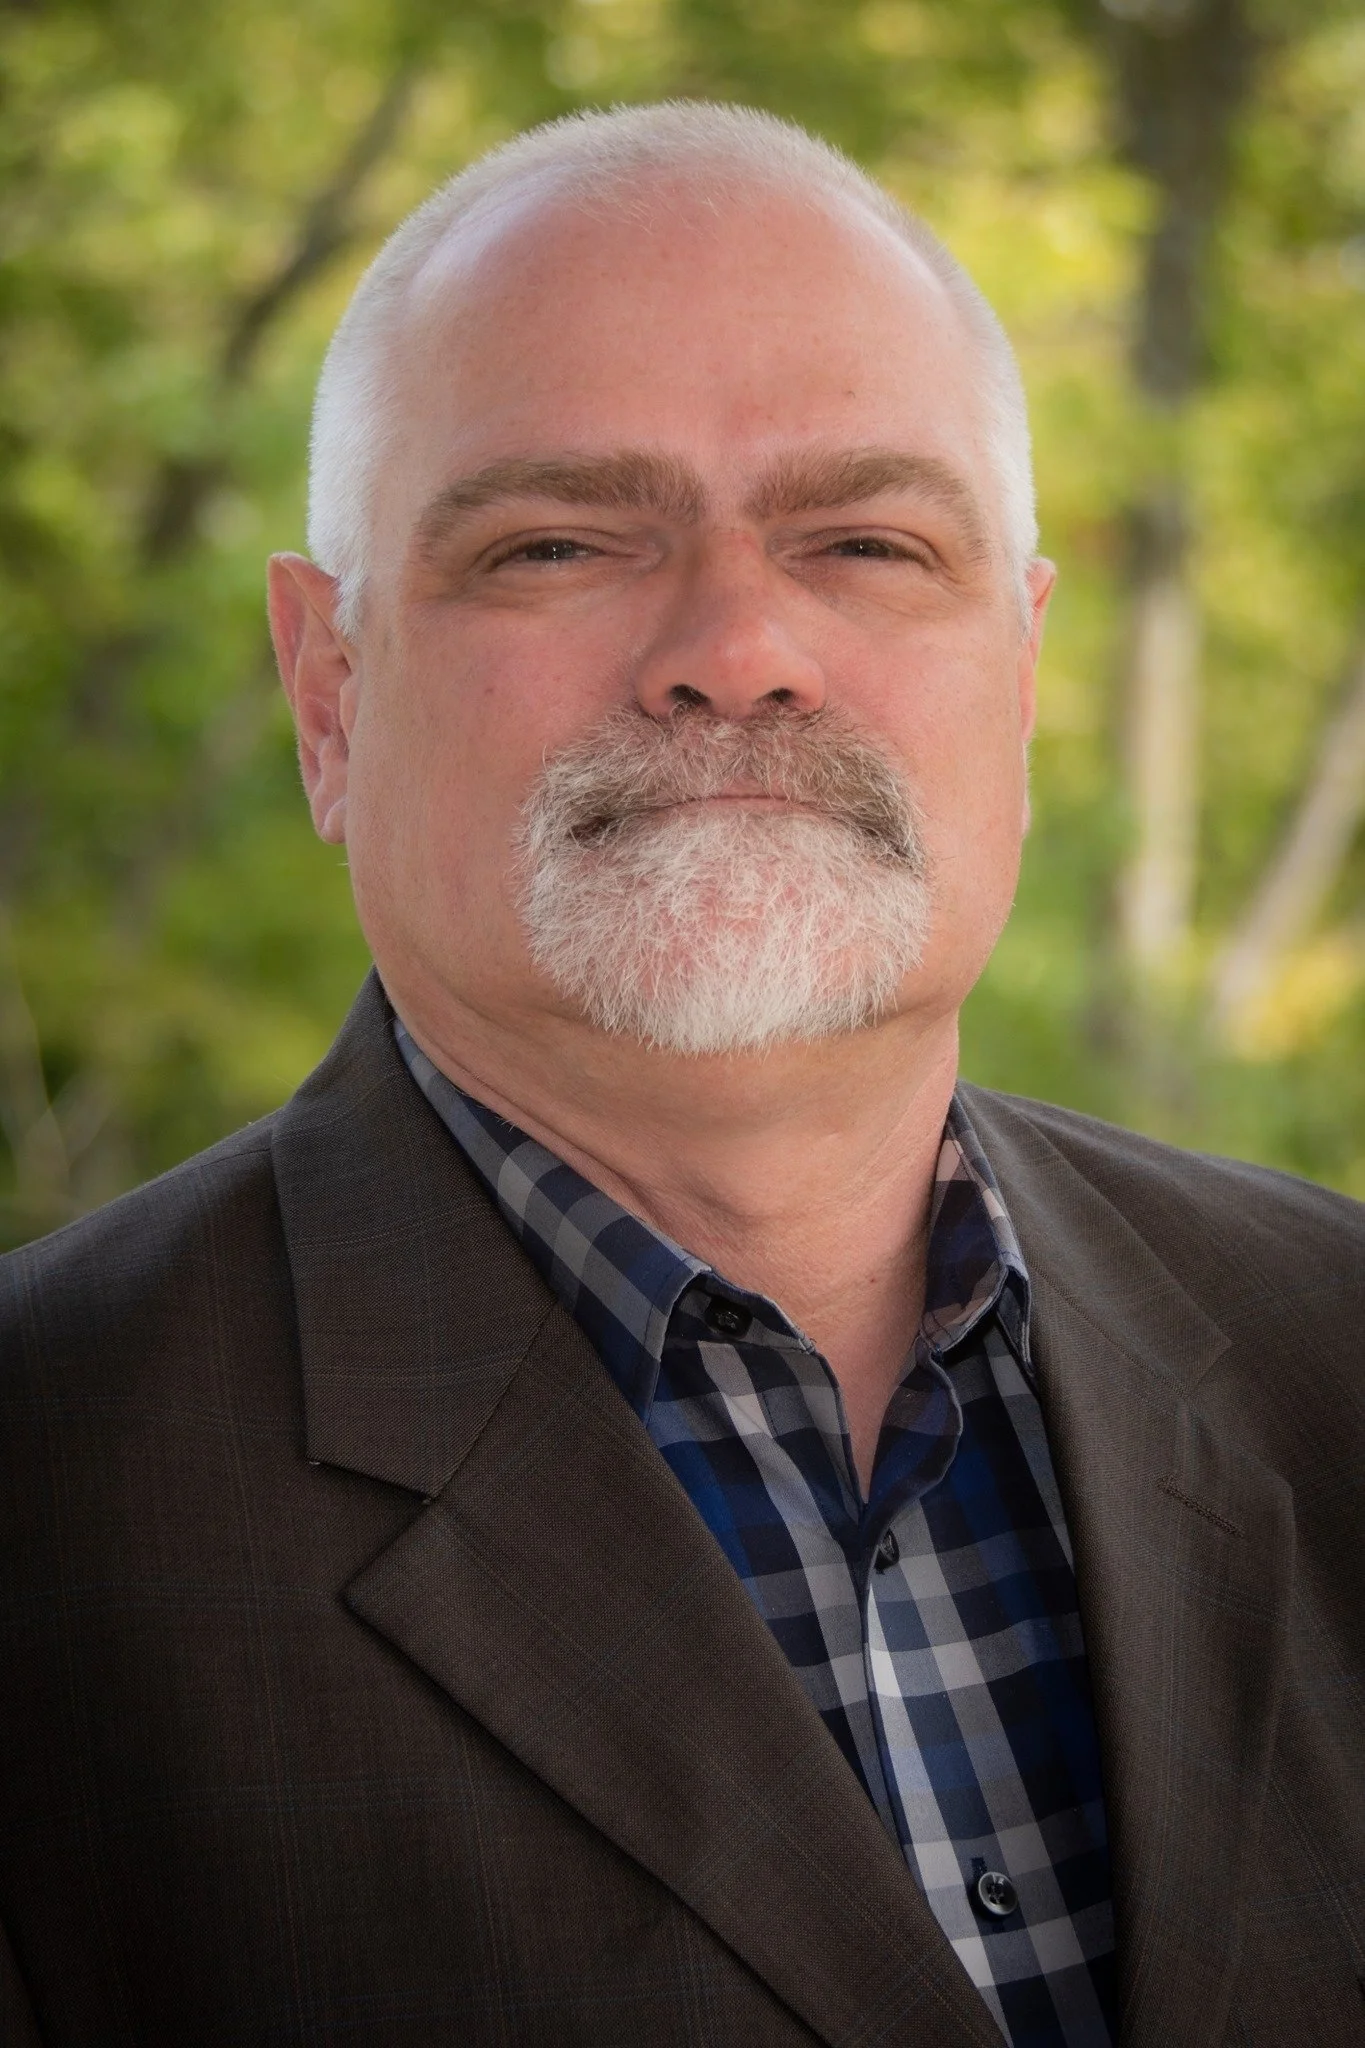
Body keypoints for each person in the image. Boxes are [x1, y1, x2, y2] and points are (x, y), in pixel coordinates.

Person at [1, 101, 1360, 2048]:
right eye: (555, 540)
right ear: (329, 692)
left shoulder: (1338, 1342)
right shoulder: (43, 1510)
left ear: (1023, 671)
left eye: (867, 540)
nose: (738, 647)